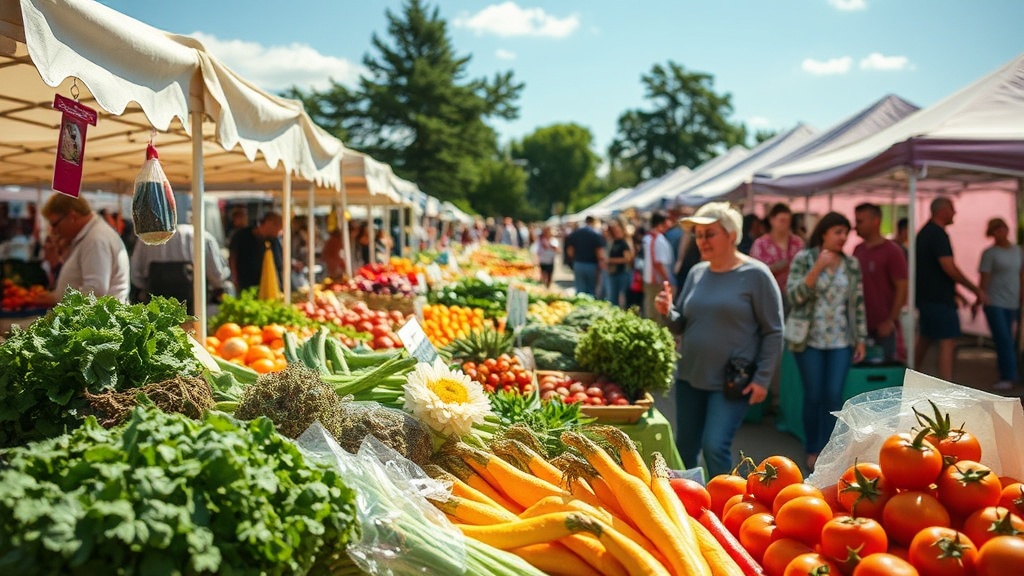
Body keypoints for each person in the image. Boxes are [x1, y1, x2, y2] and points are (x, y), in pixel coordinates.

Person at [655, 201, 782, 478]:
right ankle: (688, 507)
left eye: (709, 233)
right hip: (690, 375)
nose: (702, 241)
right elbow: (682, 324)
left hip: (731, 381)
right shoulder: (697, 272)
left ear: (732, 235)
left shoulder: (756, 274)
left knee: (715, 446)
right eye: (698, 235)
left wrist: (762, 379)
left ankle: (725, 506)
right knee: (685, 447)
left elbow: (774, 330)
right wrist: (668, 312)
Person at [787, 211, 867, 472]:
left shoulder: (851, 264)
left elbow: (857, 304)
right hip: (809, 339)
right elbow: (794, 296)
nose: (843, 238)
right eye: (838, 232)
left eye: (846, 233)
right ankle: (812, 448)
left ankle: (829, 449)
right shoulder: (804, 258)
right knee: (814, 395)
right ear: (824, 233)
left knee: (833, 395)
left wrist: (861, 338)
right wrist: (817, 268)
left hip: (840, 340)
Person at [915, 197, 986, 381]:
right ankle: (946, 387)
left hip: (928, 297)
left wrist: (958, 292)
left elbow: (933, 271)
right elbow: (948, 267)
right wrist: (974, 289)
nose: (955, 213)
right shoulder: (937, 234)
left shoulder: (925, 233)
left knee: (926, 337)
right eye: (952, 209)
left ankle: (910, 374)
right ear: (942, 211)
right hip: (938, 299)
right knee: (947, 340)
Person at [40, 193, 130, 302]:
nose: (53, 231)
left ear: (72, 217)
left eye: (54, 224)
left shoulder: (95, 239)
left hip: (97, 318)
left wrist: (56, 299)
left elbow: (95, 290)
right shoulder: (91, 235)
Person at [130, 221, 233, 314]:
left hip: (157, 310)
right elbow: (217, 276)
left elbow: (136, 275)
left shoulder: (147, 238)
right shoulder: (202, 236)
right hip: (194, 310)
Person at [853, 203, 908, 363]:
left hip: (884, 328)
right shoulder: (858, 250)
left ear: (875, 221)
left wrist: (891, 320)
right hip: (861, 327)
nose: (856, 226)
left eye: (860, 221)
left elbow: (902, 287)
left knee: (884, 373)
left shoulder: (892, 251)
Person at [975, 217, 1023, 391]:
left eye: (1002, 228)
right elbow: (984, 279)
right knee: (1004, 339)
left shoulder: (1018, 251)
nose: (1000, 232)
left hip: (1013, 302)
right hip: (994, 301)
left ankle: (1010, 372)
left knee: (1010, 340)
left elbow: (1021, 275)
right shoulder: (990, 253)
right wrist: (979, 298)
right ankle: (1008, 376)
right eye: (996, 229)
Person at [750, 203, 805, 312]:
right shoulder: (761, 244)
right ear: (772, 220)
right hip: (768, 296)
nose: (785, 225)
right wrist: (773, 268)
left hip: (793, 295)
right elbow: (754, 272)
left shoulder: (797, 243)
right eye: (781, 220)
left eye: (787, 221)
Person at [229, 211, 284, 293]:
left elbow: (279, 262)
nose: (279, 232)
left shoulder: (274, 240)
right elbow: (233, 257)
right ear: (269, 223)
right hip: (247, 283)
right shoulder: (242, 235)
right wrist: (235, 278)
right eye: (278, 227)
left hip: (269, 285)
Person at [642, 211, 674, 319]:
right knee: (656, 311)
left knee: (650, 306)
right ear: (661, 223)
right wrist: (666, 280)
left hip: (649, 279)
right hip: (657, 281)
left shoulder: (648, 237)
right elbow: (658, 263)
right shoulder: (658, 239)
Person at [564, 216, 605, 297]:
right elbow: (599, 252)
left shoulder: (576, 233)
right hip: (591, 265)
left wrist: (574, 258)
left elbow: (570, 250)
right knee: (591, 290)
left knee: (579, 290)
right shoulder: (596, 234)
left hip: (578, 263)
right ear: (593, 222)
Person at [603, 220, 633, 308]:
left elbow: (627, 259)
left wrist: (611, 260)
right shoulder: (612, 242)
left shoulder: (623, 243)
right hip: (613, 273)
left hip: (622, 273)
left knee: (622, 297)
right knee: (612, 298)